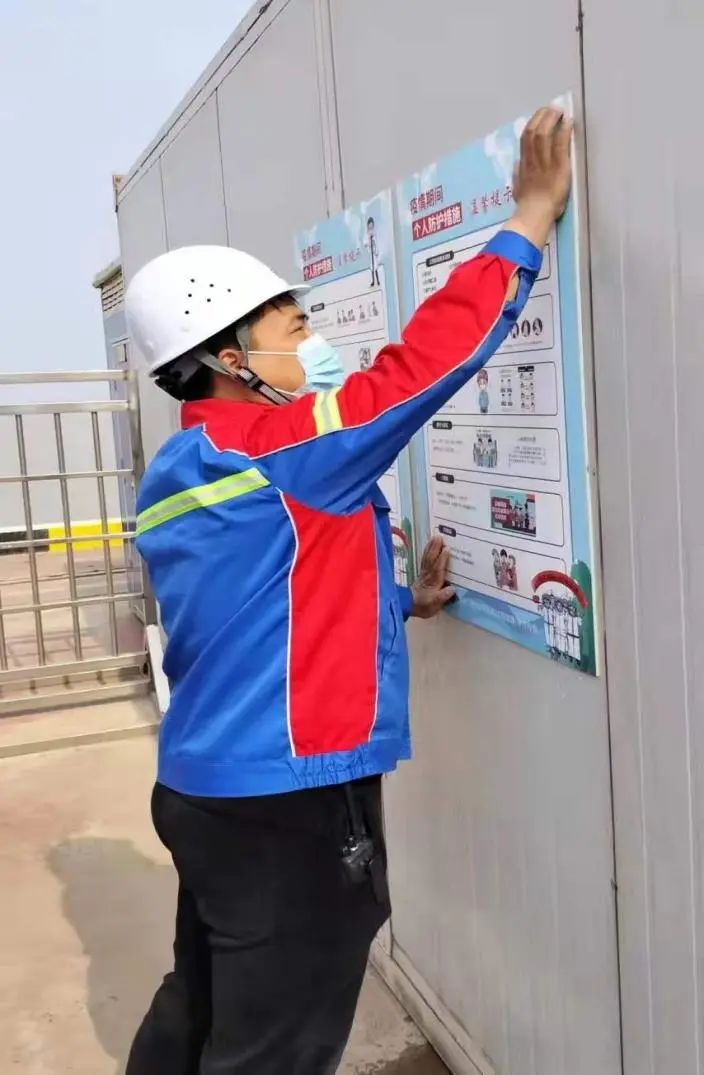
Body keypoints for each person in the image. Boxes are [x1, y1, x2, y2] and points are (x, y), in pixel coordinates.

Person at [123, 105, 572, 1075]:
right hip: (287, 802)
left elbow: (255, 603)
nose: (315, 340)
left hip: (203, 790)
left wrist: (394, 601)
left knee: (201, 1002)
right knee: (275, 1048)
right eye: (294, 327)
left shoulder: (181, 468)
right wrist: (528, 218)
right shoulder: (282, 452)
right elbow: (419, 368)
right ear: (232, 358)